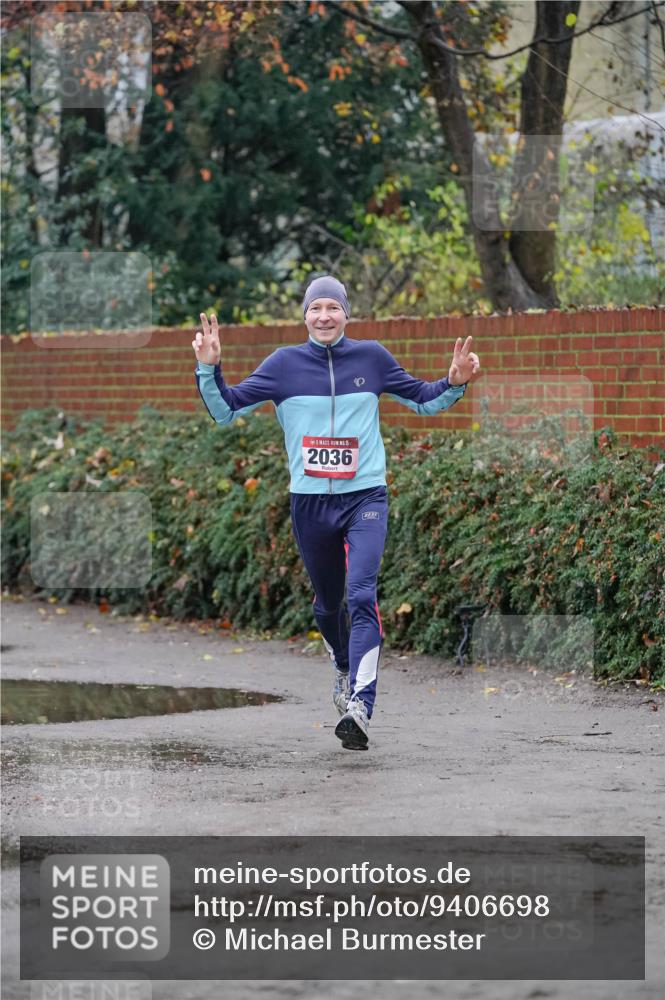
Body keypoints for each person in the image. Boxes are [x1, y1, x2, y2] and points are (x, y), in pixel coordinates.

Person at [192, 275, 481, 751]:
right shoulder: (283, 365)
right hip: (310, 503)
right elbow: (225, 411)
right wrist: (211, 369)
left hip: (365, 496)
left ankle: (360, 707)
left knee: (361, 593)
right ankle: (343, 665)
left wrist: (453, 382)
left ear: (347, 313)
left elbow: (425, 400)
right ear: (304, 315)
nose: (324, 315)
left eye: (333, 307)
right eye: (315, 308)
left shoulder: (373, 358)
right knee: (329, 605)